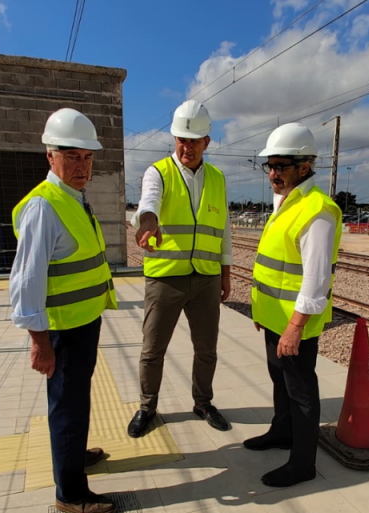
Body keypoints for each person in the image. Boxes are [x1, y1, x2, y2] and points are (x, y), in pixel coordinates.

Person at [9, 108, 118, 513]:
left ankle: (71, 454)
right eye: (72, 156)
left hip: (82, 322)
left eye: (87, 157)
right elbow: (27, 281)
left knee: (76, 399)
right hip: (62, 330)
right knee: (67, 405)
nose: (82, 166)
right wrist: (38, 342)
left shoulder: (72, 197)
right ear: (50, 156)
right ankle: (70, 493)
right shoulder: (44, 207)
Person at [243, 123, 342, 488]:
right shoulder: (287, 202)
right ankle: (282, 431)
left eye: (280, 166)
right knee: (279, 379)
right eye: (269, 166)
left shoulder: (316, 211)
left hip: (294, 323)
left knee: (301, 391)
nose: (273, 173)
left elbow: (316, 280)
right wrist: (263, 312)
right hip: (275, 317)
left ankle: (303, 463)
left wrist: (295, 327)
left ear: (304, 166)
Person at [127, 100, 233, 437]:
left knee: (207, 350)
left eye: (194, 141)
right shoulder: (158, 173)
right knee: (152, 350)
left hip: (206, 278)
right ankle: (147, 407)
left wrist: (225, 273)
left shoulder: (217, 178)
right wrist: (147, 221)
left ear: (207, 142)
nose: (187, 147)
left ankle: (203, 403)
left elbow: (224, 229)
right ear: (174, 139)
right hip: (165, 279)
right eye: (181, 140)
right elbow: (149, 201)